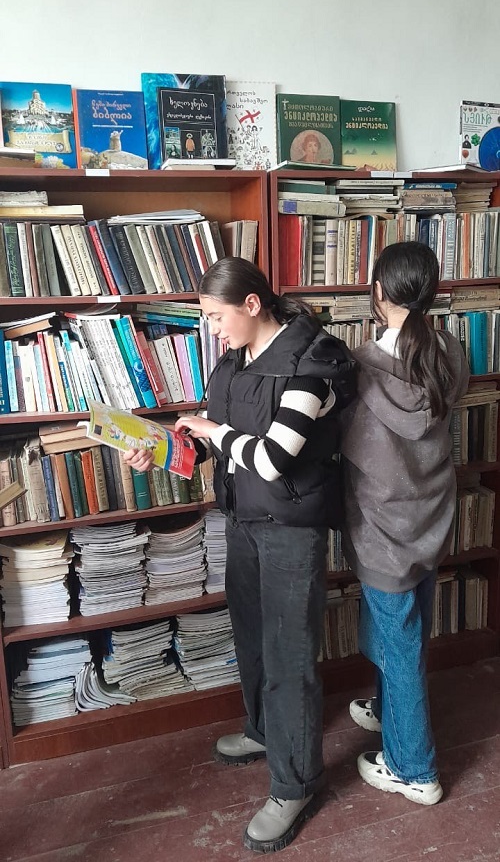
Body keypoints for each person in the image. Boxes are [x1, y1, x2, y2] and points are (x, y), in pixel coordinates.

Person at [124, 257, 357, 853]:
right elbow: (215, 446)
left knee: (289, 656)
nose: (212, 329)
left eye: (215, 316)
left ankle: (294, 784)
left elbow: (273, 458)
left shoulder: (315, 361)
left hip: (291, 528)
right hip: (243, 521)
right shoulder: (233, 359)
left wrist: (212, 433)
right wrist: (162, 450)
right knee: (251, 637)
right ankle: (262, 730)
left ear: (252, 304)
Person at [340, 241, 469, 806]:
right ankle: (390, 708)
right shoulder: (451, 351)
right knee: (405, 629)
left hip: (382, 527)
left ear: (377, 291)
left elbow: (345, 444)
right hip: (431, 517)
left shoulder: (360, 367)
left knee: (401, 646)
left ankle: (414, 770)